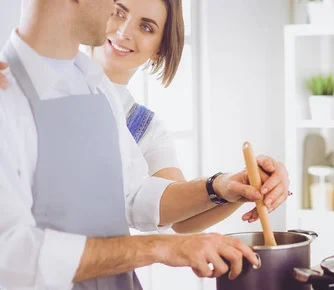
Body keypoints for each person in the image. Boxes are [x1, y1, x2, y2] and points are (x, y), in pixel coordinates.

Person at [0, 0, 289, 290]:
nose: (116, 16)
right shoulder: (7, 93)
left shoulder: (98, 88)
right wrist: (159, 249)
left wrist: (225, 186)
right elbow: (10, 251)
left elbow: (134, 194)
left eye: (146, 26)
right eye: (116, 6)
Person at [0, 0, 288, 228]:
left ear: (159, 50)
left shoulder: (142, 126)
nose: (124, 32)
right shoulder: (25, 78)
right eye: (117, 12)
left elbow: (168, 210)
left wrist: (238, 186)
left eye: (146, 27)